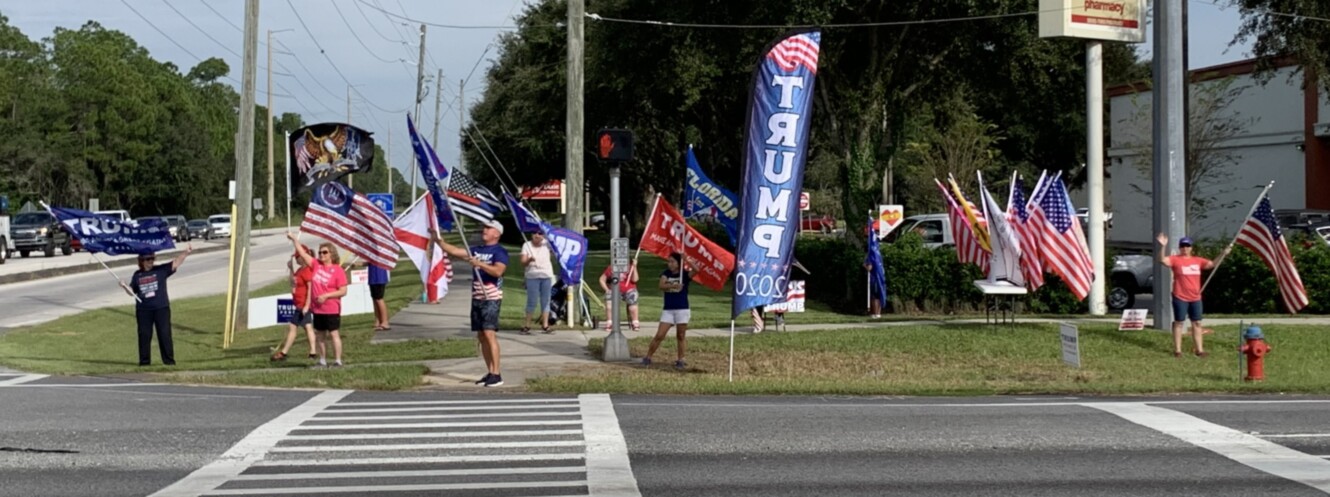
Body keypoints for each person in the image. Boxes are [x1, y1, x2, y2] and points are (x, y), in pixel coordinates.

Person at [434, 220, 509, 387]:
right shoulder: (477, 249)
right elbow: (454, 251)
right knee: (481, 335)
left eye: (489, 228)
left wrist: (480, 264)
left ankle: (497, 374)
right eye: (485, 227)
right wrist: (437, 239)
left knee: (489, 334)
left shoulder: (499, 252)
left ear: (497, 233)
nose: (485, 230)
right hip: (477, 297)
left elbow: (498, 271)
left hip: (491, 297)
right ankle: (490, 372)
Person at [1156, 233, 1230, 358]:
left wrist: (1223, 253)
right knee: (1179, 322)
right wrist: (1163, 246)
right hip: (1180, 296)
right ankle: (1178, 350)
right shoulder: (1175, 259)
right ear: (1180, 247)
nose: (1185, 248)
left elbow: (1211, 264)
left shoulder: (1198, 260)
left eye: (1187, 246)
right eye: (1182, 246)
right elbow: (1161, 260)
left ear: (1191, 248)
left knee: (1197, 323)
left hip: (1195, 297)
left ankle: (1199, 350)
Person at [120, 245, 193, 366]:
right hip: (144, 310)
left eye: (152, 259)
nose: (151, 261)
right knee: (144, 335)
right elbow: (132, 292)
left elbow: (175, 263)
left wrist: (186, 252)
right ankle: (144, 362)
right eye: (148, 259)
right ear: (142, 261)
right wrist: (124, 286)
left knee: (164, 334)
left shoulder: (160, 270)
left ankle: (169, 361)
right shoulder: (137, 275)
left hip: (161, 308)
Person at [288, 233, 348, 367]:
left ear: (331, 254)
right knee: (320, 335)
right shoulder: (316, 265)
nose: (321, 254)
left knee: (334, 334)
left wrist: (326, 296)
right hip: (318, 309)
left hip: (331, 308)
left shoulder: (338, 270)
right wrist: (295, 240)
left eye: (325, 252)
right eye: (320, 252)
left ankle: (337, 360)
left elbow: (343, 291)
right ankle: (322, 360)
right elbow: (303, 254)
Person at [643, 254, 699, 370]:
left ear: (679, 263)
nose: (670, 264)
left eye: (673, 262)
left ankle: (681, 359)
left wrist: (686, 259)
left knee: (681, 335)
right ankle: (648, 357)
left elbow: (696, 270)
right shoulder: (666, 273)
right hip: (668, 309)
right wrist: (673, 285)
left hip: (682, 308)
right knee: (660, 335)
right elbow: (661, 285)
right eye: (669, 262)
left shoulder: (684, 274)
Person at [272, 246, 317, 362]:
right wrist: (291, 269)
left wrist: (307, 305)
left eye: (297, 257)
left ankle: (311, 352)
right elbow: (293, 282)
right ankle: (287, 352)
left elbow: (310, 288)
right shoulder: (300, 270)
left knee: (303, 327)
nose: (296, 259)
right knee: (300, 327)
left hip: (303, 304)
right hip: (299, 304)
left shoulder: (307, 271)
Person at [520, 231, 555, 335]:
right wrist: (529, 260)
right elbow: (523, 262)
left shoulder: (547, 244)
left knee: (546, 301)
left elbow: (557, 251)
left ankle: (545, 325)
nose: (537, 235)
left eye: (540, 233)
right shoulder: (526, 245)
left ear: (543, 235)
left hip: (546, 275)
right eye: (534, 233)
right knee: (532, 301)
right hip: (532, 276)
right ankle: (527, 325)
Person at [599, 260, 640, 331]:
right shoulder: (611, 268)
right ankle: (610, 322)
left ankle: (635, 322)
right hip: (615, 290)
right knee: (609, 301)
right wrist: (607, 289)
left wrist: (635, 267)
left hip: (629, 289)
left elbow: (635, 280)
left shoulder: (630, 267)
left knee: (632, 300)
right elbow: (601, 279)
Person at [368, 264, 390, 331]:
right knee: (374, 299)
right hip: (372, 277)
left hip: (379, 277)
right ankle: (378, 320)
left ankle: (385, 322)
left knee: (379, 299)